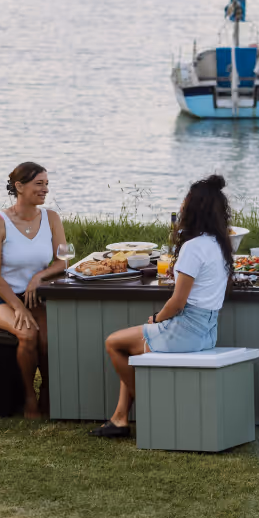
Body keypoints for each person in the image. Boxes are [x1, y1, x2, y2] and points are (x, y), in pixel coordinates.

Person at [91, 174, 233, 439]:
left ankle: (151, 405)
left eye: (184, 203)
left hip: (185, 331)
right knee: (132, 347)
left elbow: (177, 303)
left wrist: (157, 319)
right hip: (207, 332)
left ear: (194, 210)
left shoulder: (193, 247)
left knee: (114, 343)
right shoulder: (218, 245)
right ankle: (119, 419)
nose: (181, 207)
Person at [0, 162, 67, 418]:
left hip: (35, 296)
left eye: (47, 184)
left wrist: (39, 277)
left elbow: (62, 261)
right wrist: (18, 307)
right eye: (39, 184)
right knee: (28, 334)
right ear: (19, 186)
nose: (45, 189)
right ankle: (29, 398)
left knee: (49, 338)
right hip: (0, 298)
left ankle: (48, 393)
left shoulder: (52, 219)